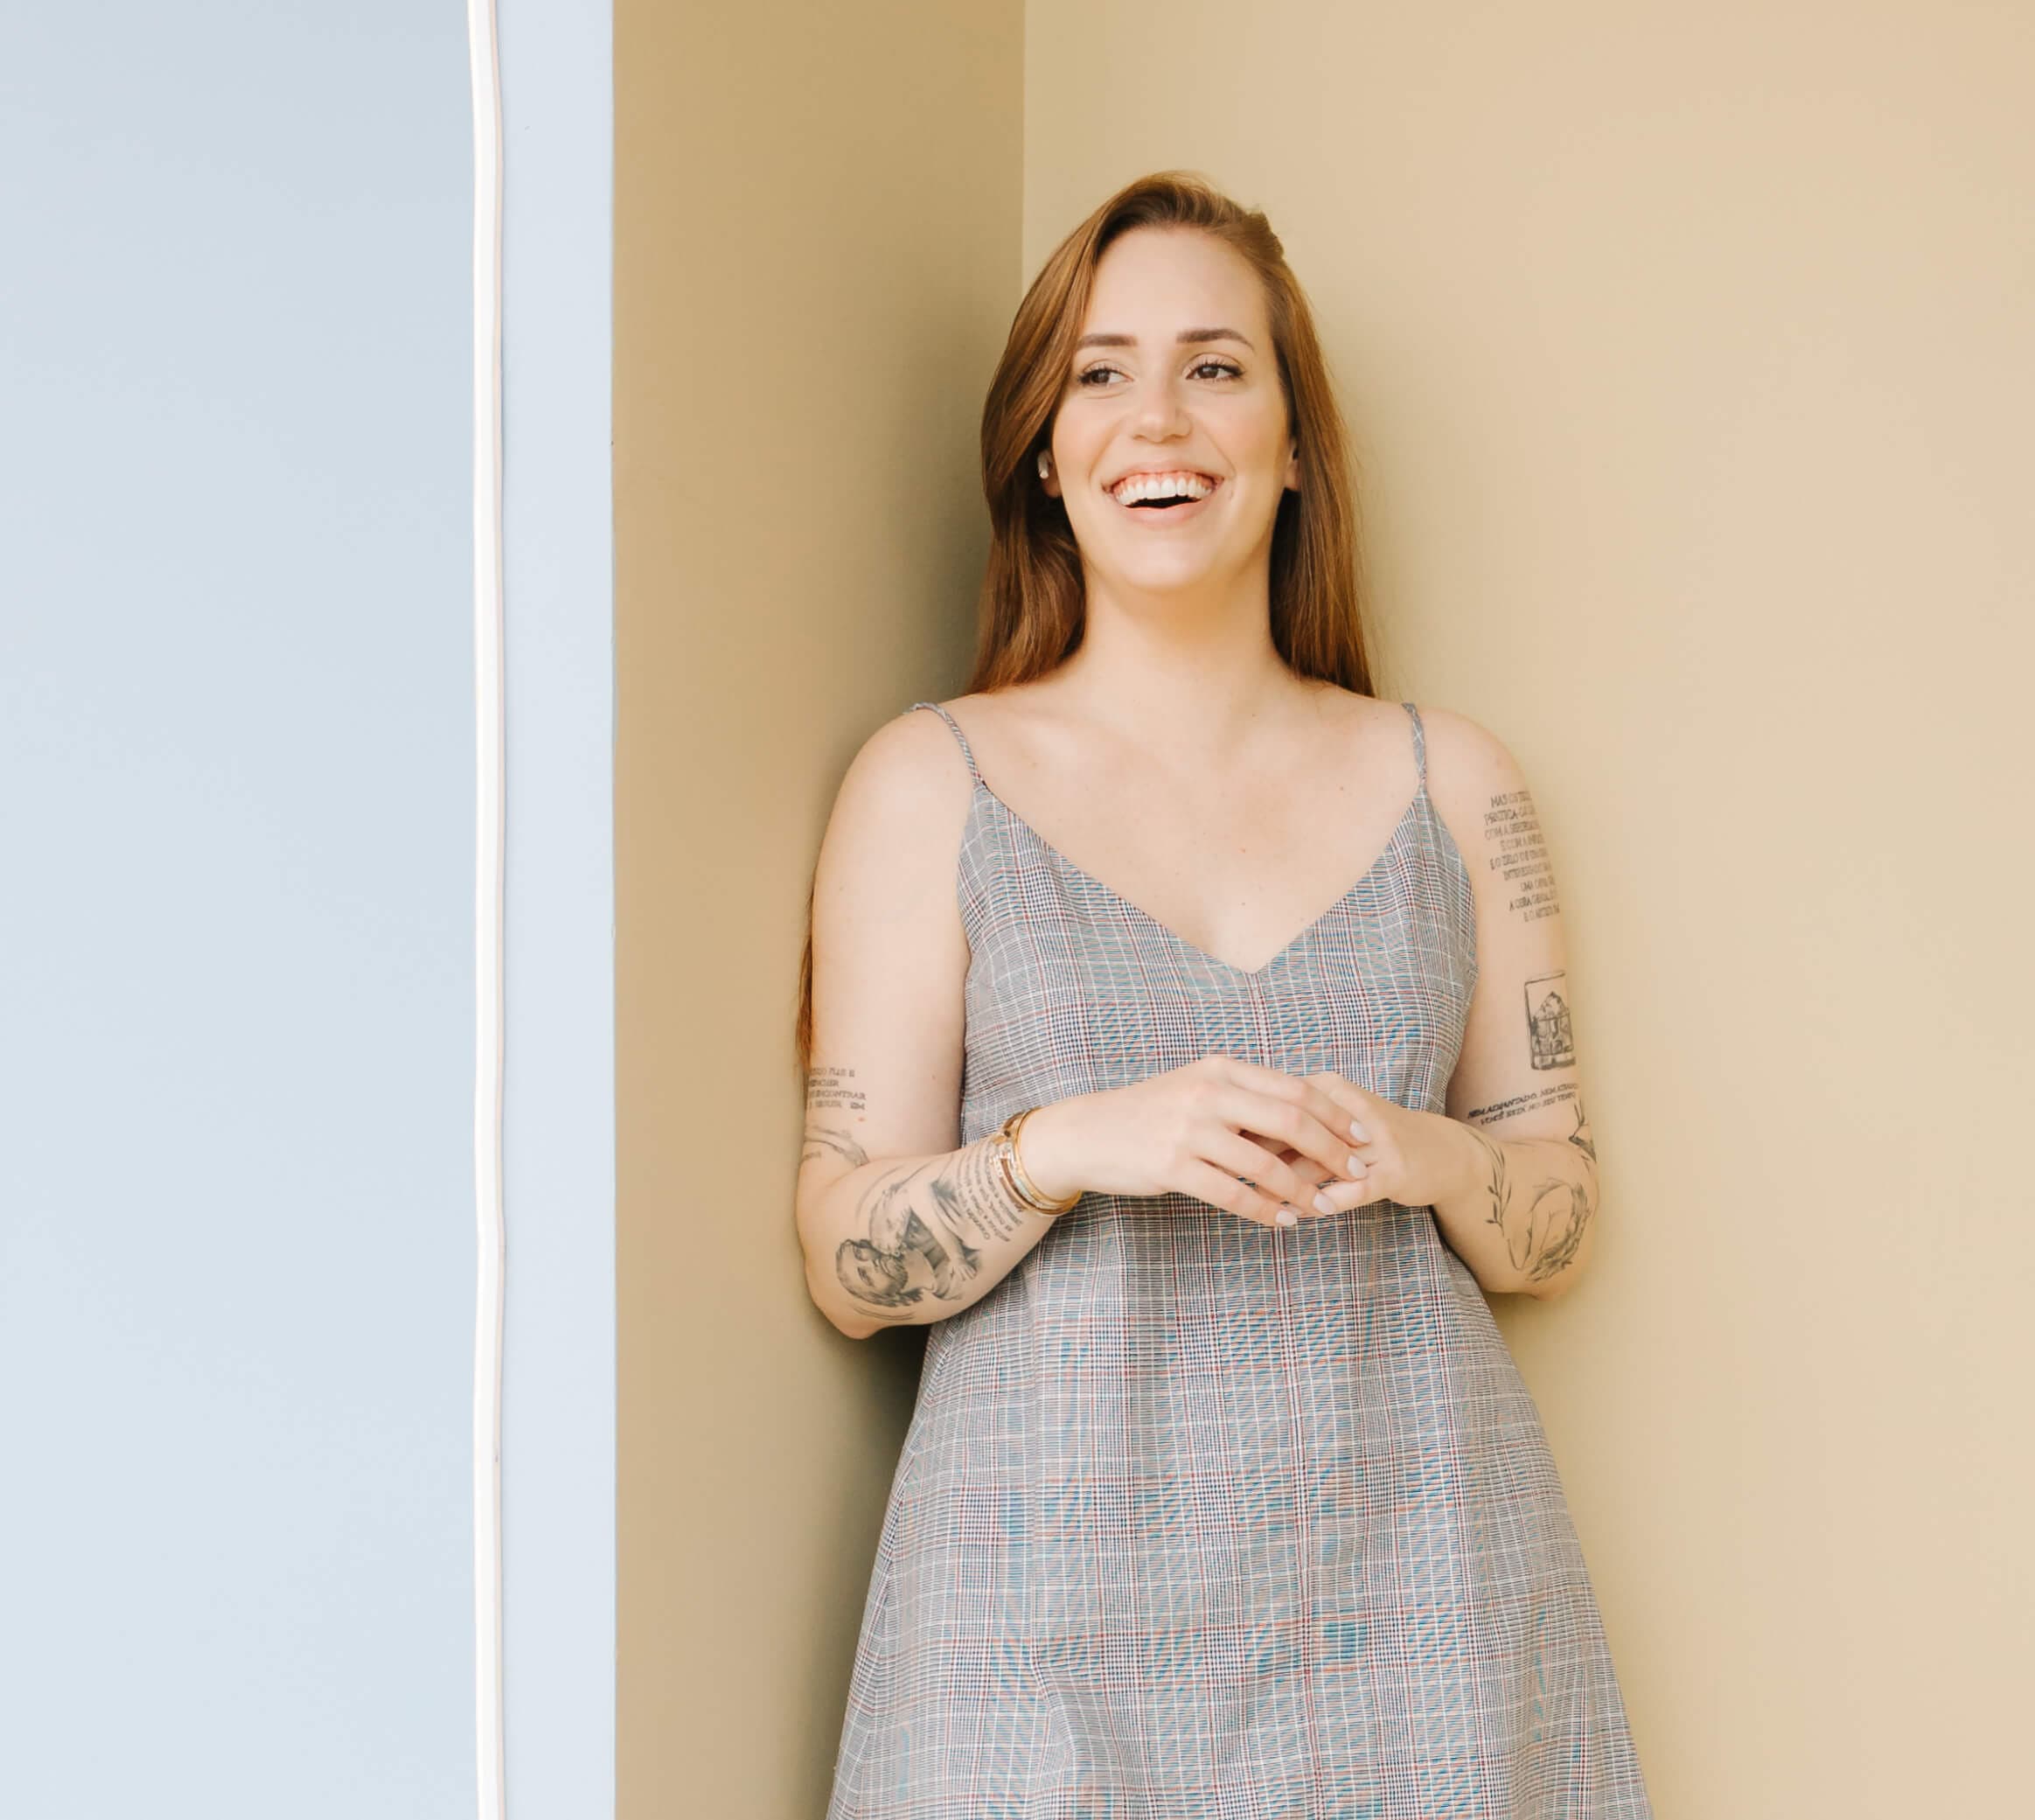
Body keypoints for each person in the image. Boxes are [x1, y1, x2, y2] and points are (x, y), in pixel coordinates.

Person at [795, 170, 1652, 1817]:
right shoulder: (931, 782)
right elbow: (844, 1251)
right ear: (1044, 453)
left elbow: (1561, 1209)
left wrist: (1432, 1154)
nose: (1156, 416)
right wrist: (1071, 1142)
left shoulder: (1455, 785)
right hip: (1032, 1630)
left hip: (1422, 1609)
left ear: (1295, 438)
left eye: (1216, 364)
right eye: (1100, 372)